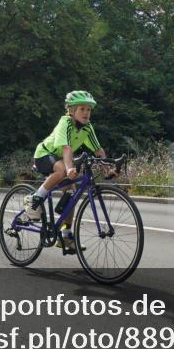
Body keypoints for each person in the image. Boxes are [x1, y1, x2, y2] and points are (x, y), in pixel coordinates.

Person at [20, 90, 116, 254]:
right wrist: (70, 168)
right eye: (82, 109)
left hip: (61, 158)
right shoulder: (65, 122)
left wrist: (108, 169)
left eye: (89, 109)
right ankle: (34, 199)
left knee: (71, 196)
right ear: (71, 110)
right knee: (63, 169)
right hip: (44, 154)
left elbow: (98, 150)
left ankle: (65, 235)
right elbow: (66, 148)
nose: (86, 113)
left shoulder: (87, 127)